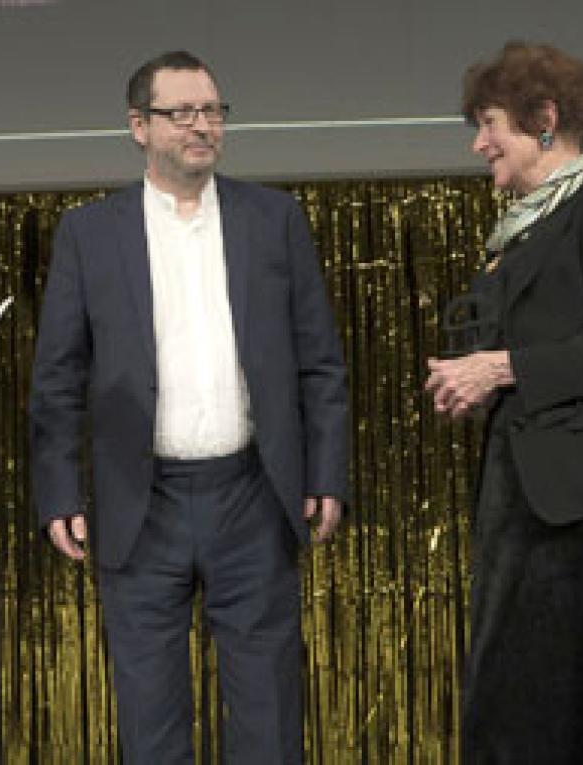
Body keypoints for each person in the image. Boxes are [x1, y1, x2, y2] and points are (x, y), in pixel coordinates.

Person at [29, 50, 350, 763]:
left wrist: (326, 473)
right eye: (182, 113)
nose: (202, 125)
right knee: (150, 724)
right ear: (139, 126)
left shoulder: (274, 218)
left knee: (268, 718)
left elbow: (319, 361)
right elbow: (57, 378)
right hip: (140, 502)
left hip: (253, 494)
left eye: (212, 111)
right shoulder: (89, 233)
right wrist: (59, 491)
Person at [425, 41, 583, 762]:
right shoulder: (521, 230)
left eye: (489, 124)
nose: (479, 144)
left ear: (544, 118)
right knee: (512, 705)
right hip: (520, 501)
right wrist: (474, 377)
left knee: (579, 708)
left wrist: (503, 366)